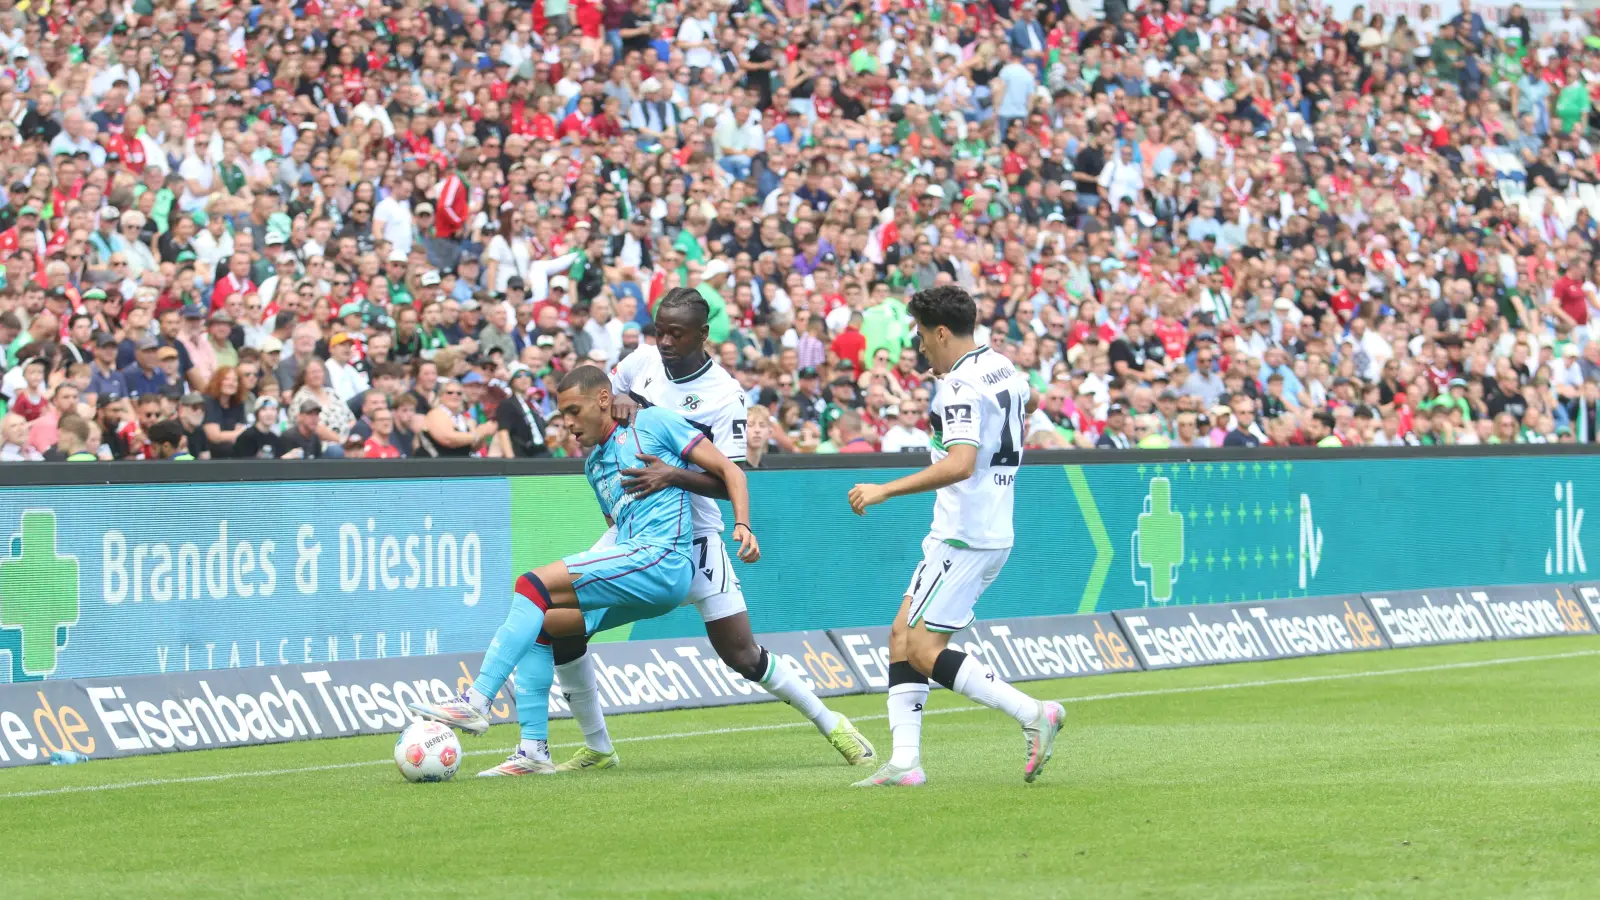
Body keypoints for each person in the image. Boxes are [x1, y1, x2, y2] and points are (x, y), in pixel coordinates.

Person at [545, 287, 873, 774]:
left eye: (677, 334)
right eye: (660, 332)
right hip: (636, 528)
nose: (666, 341)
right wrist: (623, 403)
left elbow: (730, 479)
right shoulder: (640, 363)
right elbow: (602, 400)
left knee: (741, 653)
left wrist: (672, 475)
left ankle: (832, 723)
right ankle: (597, 746)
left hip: (695, 534)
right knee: (559, 622)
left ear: (703, 336)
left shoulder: (725, 396)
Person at [408, 364, 758, 776]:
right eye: (562, 416)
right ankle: (534, 749)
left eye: (574, 411)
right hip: (637, 562)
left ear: (604, 400)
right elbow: (618, 528)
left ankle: (479, 700)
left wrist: (742, 524)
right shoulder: (593, 465)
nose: (568, 424)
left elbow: (730, 470)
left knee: (531, 585)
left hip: (664, 559)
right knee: (548, 621)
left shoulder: (654, 424)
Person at [845, 285, 1063, 788]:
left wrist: (884, 490)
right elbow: (1026, 401)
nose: (919, 346)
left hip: (964, 535)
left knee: (921, 649)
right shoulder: (1004, 368)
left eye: (922, 336)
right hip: (981, 528)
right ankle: (905, 762)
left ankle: (1033, 712)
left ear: (941, 332)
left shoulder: (959, 386)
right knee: (901, 634)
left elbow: (961, 463)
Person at [418, 378, 497, 457]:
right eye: (450, 393)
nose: (455, 396)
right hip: (434, 464)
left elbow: (473, 447)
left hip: (459, 464)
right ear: (440, 396)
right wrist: (478, 433)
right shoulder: (435, 414)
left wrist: (485, 432)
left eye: (459, 393)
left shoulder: (465, 420)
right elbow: (448, 439)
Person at [202, 366, 251, 456]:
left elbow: (241, 432)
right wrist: (238, 434)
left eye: (235, 380)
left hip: (233, 448)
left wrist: (235, 434)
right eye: (226, 379)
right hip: (211, 450)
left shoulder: (238, 403)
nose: (231, 383)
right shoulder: (208, 401)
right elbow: (214, 437)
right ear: (217, 381)